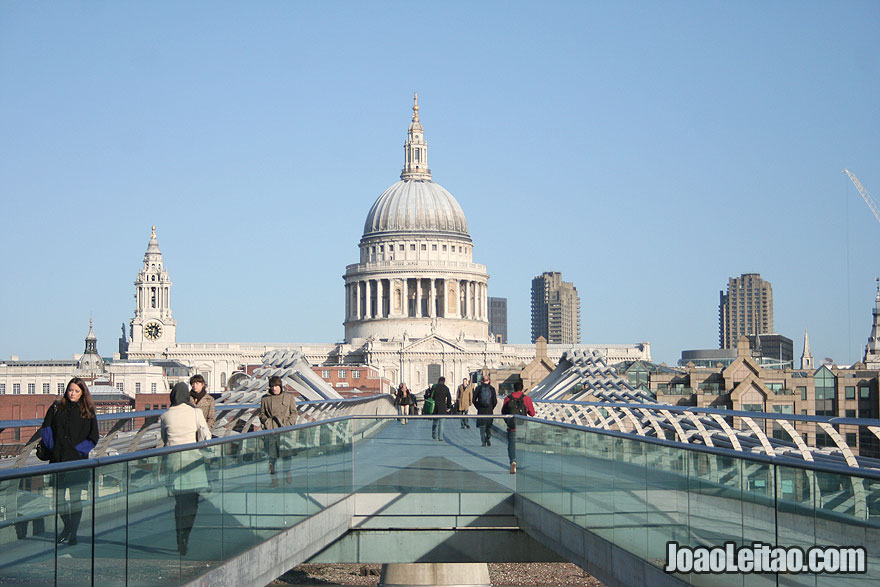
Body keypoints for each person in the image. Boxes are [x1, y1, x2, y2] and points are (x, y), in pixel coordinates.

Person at [39, 377, 99, 546]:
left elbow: (93, 437)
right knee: (57, 498)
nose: (72, 394)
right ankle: (68, 527)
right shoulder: (57, 407)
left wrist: (78, 451)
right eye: (70, 390)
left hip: (78, 462)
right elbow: (46, 428)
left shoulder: (88, 411)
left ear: (83, 393)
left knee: (75, 499)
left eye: (76, 391)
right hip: (57, 459)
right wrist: (53, 447)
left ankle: (72, 534)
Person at [160, 381, 212, 556]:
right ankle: (186, 535)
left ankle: (178, 535)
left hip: (173, 463)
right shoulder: (195, 412)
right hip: (193, 462)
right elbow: (206, 435)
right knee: (192, 503)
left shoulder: (166, 415)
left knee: (179, 503)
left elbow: (164, 438)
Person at [259, 375, 298, 486]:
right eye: (272, 386)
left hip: (285, 428)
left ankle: (287, 472)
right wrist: (266, 422)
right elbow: (261, 413)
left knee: (286, 454)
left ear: (280, 386)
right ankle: (274, 478)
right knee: (272, 456)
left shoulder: (289, 397)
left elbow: (294, 412)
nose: (274, 388)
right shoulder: (265, 399)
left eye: (276, 386)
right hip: (271, 430)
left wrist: (289, 423)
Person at [501, 379, 535, 474]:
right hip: (522, 425)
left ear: (514, 389)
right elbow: (532, 413)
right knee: (522, 445)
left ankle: (513, 461)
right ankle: (520, 465)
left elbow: (503, 412)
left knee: (511, 445)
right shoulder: (526, 398)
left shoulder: (508, 398)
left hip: (512, 426)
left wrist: (508, 421)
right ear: (522, 389)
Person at [473, 374, 497, 446]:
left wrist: (478, 407)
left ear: (482, 381)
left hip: (481, 410)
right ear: (489, 381)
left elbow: (473, 400)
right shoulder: (492, 389)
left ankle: (483, 442)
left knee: (482, 427)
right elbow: (495, 401)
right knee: (488, 427)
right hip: (489, 411)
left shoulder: (478, 388)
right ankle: (488, 438)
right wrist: (491, 407)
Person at [429, 376, 451, 441]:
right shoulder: (446, 388)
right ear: (444, 381)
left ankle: (434, 435)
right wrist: (448, 406)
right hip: (442, 407)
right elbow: (449, 398)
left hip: (435, 406)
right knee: (442, 423)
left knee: (435, 422)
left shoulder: (434, 387)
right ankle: (440, 437)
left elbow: (431, 396)